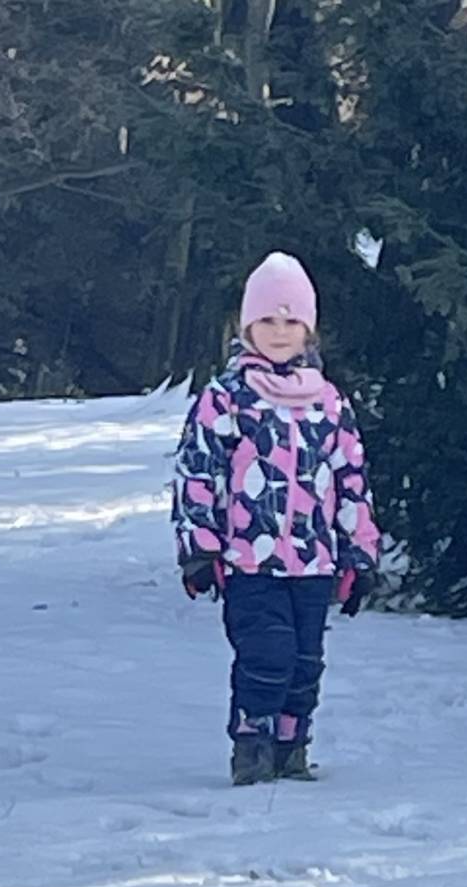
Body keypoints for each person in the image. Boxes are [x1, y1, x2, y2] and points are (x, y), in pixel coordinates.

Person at [171, 251, 380, 785]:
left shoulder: (328, 403)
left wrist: (359, 553)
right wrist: (199, 548)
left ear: (308, 329)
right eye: (267, 321)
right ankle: (252, 744)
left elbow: (351, 479)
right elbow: (198, 472)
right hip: (250, 561)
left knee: (306, 661)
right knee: (267, 653)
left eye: (291, 322)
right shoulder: (227, 399)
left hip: (314, 561)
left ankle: (292, 745)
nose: (279, 332)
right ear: (246, 327)